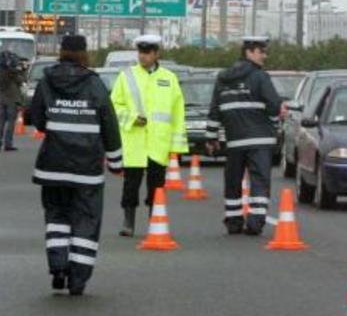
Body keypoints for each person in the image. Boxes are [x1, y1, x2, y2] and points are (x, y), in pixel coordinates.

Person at [29, 34, 123, 296]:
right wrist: (115, 161)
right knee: (85, 221)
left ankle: (58, 268)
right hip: (86, 169)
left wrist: (58, 126)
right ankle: (78, 279)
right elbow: (109, 125)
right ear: (84, 53)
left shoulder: (47, 81)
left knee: (57, 217)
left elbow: (35, 118)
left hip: (52, 165)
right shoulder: (94, 84)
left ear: (62, 51)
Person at [109, 34, 188, 237]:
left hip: (158, 144)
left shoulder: (169, 79)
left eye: (147, 53)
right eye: (140, 52)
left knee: (157, 186)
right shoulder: (126, 76)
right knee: (130, 185)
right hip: (134, 142)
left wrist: (177, 147)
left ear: (156, 54)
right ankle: (129, 222)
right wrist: (133, 118)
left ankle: (155, 219)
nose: (142, 56)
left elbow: (178, 113)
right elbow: (114, 106)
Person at [207, 35, 286, 235]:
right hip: (260, 140)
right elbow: (275, 105)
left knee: (233, 180)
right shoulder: (260, 77)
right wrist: (278, 114)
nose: (265, 56)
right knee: (259, 180)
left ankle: (233, 221)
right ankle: (255, 222)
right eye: (261, 51)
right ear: (249, 52)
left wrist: (211, 137)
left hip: (234, 140)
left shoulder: (223, 78)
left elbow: (214, 110)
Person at [0, 50, 27, 152]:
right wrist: (23, 70)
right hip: (12, 100)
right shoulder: (13, 73)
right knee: (11, 122)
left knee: (1, 122)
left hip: (1, 98)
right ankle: (8, 144)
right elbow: (22, 81)